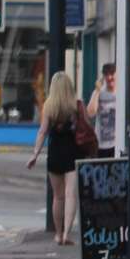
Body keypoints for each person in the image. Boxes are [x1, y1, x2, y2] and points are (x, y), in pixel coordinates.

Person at [28, 70, 82, 245]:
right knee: (70, 195)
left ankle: (58, 234)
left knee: (58, 197)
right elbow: (87, 128)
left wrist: (35, 154)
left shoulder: (49, 106)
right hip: (73, 154)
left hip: (55, 154)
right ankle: (67, 232)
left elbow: (43, 132)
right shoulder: (75, 106)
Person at [85, 62, 119, 159]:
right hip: (101, 145)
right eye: (106, 75)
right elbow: (90, 113)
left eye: (112, 74)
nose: (109, 78)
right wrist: (97, 91)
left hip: (117, 144)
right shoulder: (100, 92)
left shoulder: (122, 91)